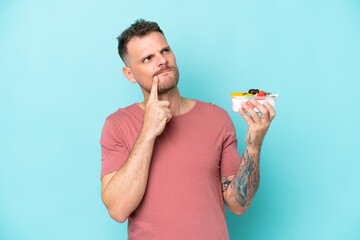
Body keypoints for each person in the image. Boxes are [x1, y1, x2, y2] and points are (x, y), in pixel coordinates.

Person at [100, 19, 276, 240]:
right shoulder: (118, 125)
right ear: (130, 74)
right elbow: (117, 209)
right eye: (147, 59)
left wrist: (254, 146)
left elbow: (238, 204)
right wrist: (147, 132)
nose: (162, 61)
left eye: (165, 50)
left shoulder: (217, 119)